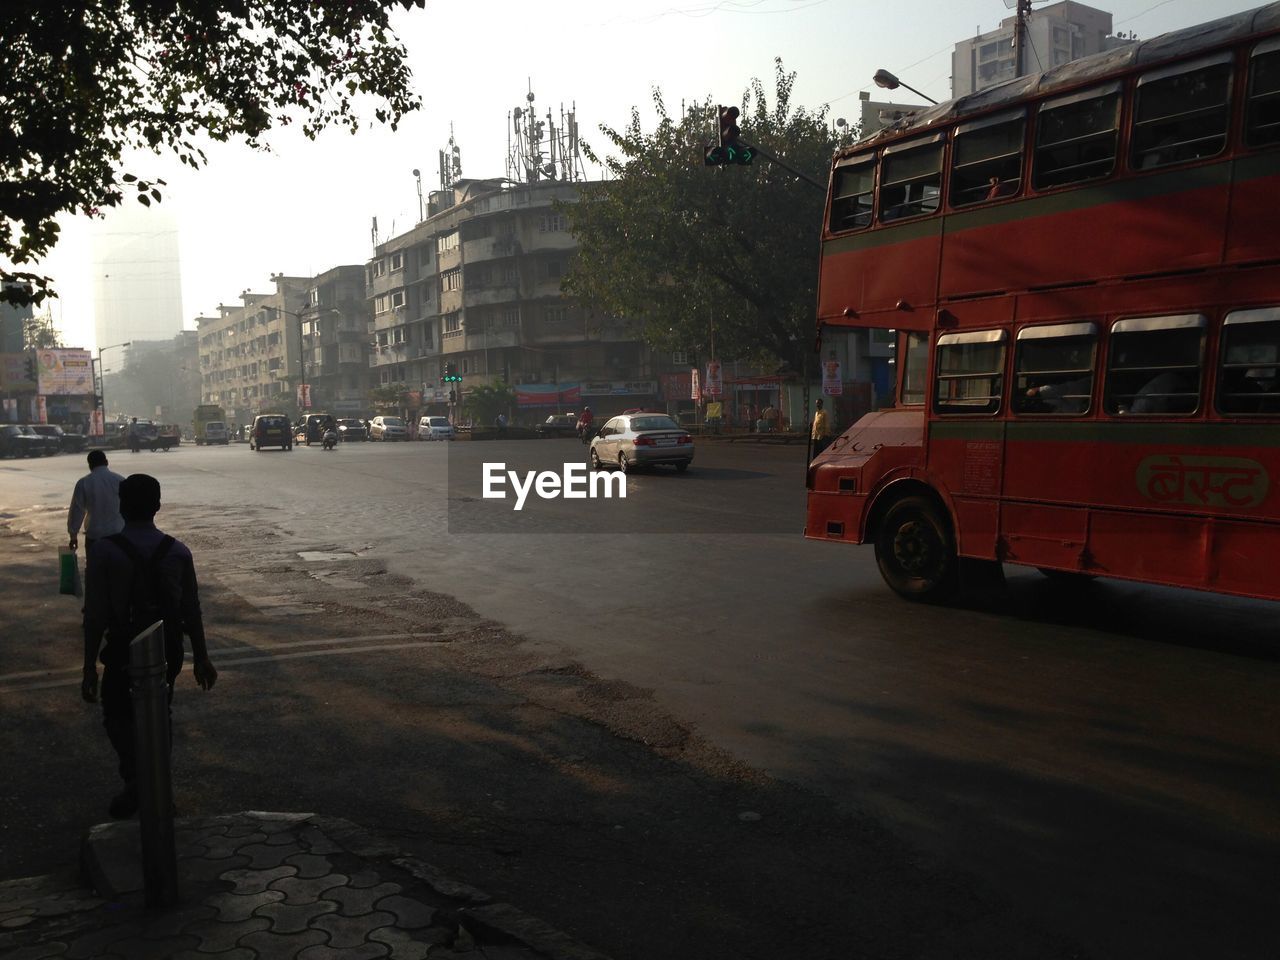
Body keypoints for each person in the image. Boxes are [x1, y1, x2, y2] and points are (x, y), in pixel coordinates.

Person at [82, 474, 217, 818]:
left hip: (123, 651)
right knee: (159, 713)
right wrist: (201, 657)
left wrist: (88, 668)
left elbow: (95, 615)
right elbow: (191, 610)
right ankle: (153, 785)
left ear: (121, 507)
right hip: (167, 650)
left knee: (118, 716)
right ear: (157, 506)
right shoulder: (177, 551)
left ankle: (138, 783)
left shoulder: (104, 552)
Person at [67, 450, 124, 553]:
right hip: (119, 534)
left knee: (95, 567)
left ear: (90, 465)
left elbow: (77, 511)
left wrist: (73, 536)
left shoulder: (84, 483)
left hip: (95, 536)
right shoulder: (120, 480)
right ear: (106, 462)